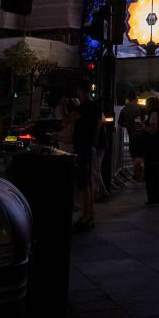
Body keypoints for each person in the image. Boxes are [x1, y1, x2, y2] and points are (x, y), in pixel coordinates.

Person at [70, 80, 102, 231]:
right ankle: (89, 215)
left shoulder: (83, 107)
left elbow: (67, 119)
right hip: (90, 145)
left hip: (82, 147)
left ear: (80, 91)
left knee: (83, 185)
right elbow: (100, 121)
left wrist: (64, 106)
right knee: (87, 183)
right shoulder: (95, 106)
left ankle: (85, 216)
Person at [141, 95, 159, 206]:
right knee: (157, 172)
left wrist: (142, 126)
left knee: (151, 172)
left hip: (152, 147)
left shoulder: (153, 115)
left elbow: (152, 130)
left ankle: (153, 198)